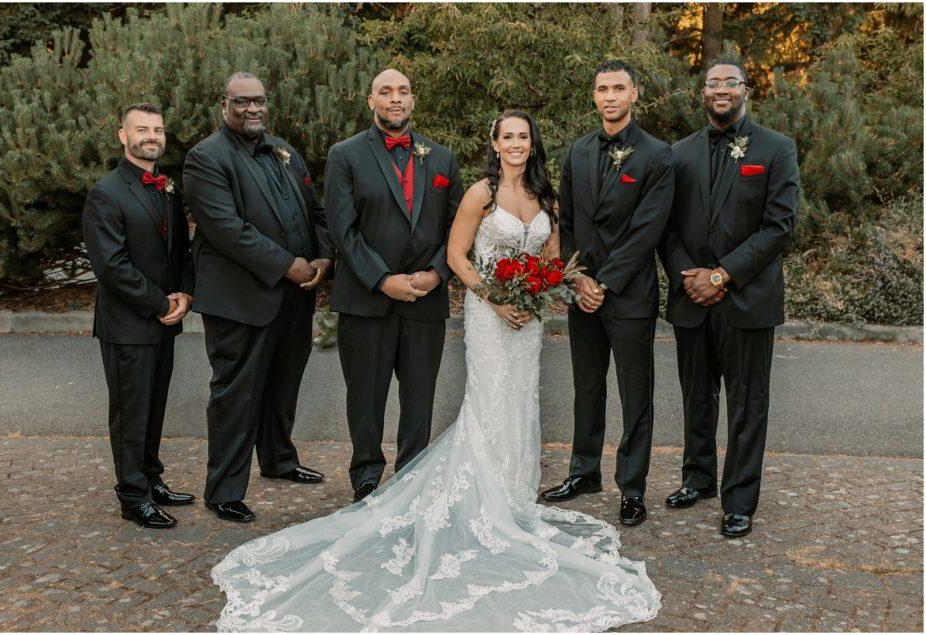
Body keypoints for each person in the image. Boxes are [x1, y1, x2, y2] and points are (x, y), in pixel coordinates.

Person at [211, 109, 660, 631]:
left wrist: (544, 287)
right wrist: (495, 299)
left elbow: (554, 257)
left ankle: (513, 496)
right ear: (493, 143)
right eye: (507, 136)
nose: (515, 144)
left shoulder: (547, 199)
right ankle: (478, 499)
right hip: (490, 318)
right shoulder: (479, 194)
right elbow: (458, 255)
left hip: (528, 319)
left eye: (523, 137)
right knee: (489, 401)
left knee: (520, 401)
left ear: (533, 145)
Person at [182, 72, 334, 523]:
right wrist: (289, 264)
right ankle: (224, 489)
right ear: (223, 104)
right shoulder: (205, 158)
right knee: (236, 392)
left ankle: (279, 459)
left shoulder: (285, 151)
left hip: (295, 296)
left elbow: (316, 210)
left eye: (259, 101)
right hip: (241, 300)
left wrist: (324, 259)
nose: (252, 110)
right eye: (241, 102)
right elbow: (228, 230)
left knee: (283, 382)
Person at [659, 58, 799, 538]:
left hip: (747, 298)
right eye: (712, 83)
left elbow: (779, 226)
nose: (721, 89)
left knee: (747, 402)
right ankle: (698, 479)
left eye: (730, 82)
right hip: (690, 297)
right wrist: (690, 278)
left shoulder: (776, 149)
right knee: (696, 395)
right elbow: (668, 227)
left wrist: (721, 276)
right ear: (703, 93)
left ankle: (739, 499)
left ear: (746, 89)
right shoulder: (677, 154)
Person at [541, 60, 674, 528]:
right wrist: (577, 278)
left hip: (630, 294)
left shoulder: (658, 156)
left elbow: (647, 230)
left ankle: (632, 488)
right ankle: (584, 471)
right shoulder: (577, 152)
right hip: (583, 292)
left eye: (619, 88)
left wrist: (606, 282)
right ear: (594, 96)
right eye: (603, 89)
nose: (611, 96)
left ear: (635, 94)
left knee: (636, 393)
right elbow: (570, 221)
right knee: (587, 385)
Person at [322, 69, 464, 502]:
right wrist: (383, 280)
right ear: (371, 102)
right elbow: (341, 231)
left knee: (419, 399)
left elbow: (459, 227)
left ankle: (412, 476)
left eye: (403, 91)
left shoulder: (442, 158)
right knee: (365, 397)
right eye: (386, 92)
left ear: (413, 100)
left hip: (425, 300)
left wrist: (438, 272)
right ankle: (365, 476)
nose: (395, 98)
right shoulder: (344, 155)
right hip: (366, 301)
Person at [82, 103, 195, 529]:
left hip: (164, 317)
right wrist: (160, 303)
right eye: (142, 129)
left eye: (158, 130)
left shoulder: (168, 187)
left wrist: (184, 292)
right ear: (122, 136)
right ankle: (133, 496)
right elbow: (112, 266)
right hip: (128, 323)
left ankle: (151, 478)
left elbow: (182, 248)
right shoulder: (105, 193)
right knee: (131, 412)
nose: (152, 136)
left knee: (153, 406)